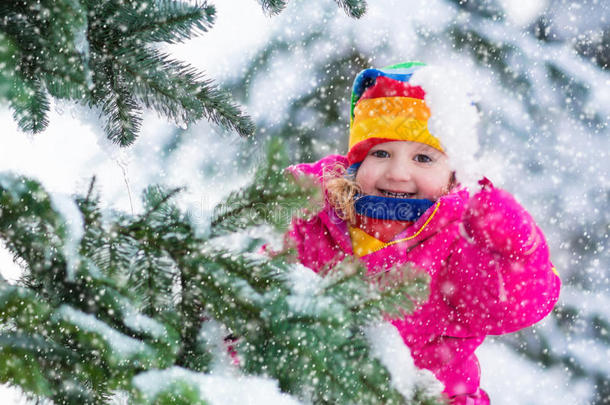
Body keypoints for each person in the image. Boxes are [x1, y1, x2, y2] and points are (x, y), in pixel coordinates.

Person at [282, 62, 561, 404]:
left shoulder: (455, 243)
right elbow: (245, 291)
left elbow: (520, 303)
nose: (399, 173)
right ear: (355, 166)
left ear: (453, 175)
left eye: (424, 158)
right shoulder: (312, 217)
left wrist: (517, 243)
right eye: (381, 153)